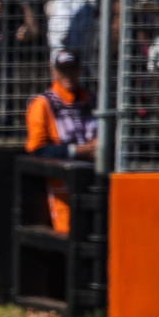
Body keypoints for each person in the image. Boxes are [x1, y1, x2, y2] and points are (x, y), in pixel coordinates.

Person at [25, 51, 98, 233]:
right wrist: (75, 151)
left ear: (79, 71)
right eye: (63, 71)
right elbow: (36, 149)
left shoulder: (92, 100)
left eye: (72, 70)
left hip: (97, 178)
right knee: (69, 234)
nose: (68, 76)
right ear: (54, 72)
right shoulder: (43, 103)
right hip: (63, 184)